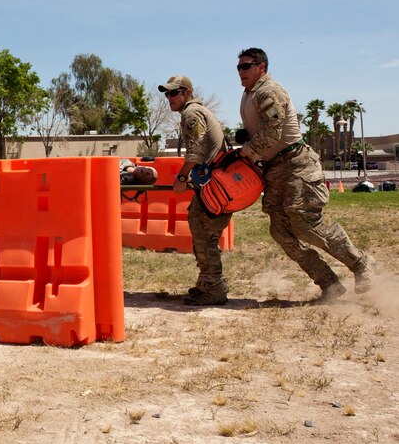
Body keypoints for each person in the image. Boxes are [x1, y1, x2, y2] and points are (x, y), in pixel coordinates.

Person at [235, 47, 375, 300]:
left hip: (296, 165)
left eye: (246, 66)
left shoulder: (269, 91)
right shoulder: (250, 93)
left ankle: (362, 263)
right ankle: (330, 284)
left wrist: (244, 152)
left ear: (262, 67)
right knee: (280, 231)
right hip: (275, 168)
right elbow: (263, 129)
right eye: (239, 67)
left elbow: (274, 132)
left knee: (306, 224)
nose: (241, 71)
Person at [160, 75, 232, 305]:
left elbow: (196, 151)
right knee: (202, 231)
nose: (169, 98)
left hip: (215, 186)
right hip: (214, 185)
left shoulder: (192, 113)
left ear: (187, 93)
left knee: (203, 234)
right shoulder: (195, 112)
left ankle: (213, 288)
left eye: (174, 93)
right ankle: (208, 283)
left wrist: (182, 177)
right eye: (167, 94)